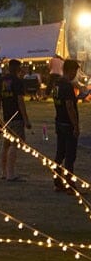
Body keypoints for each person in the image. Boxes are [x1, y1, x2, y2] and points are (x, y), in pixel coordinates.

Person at [0, 59, 31, 181]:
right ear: (17, 69)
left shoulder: (1, 81)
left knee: (6, 144)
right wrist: (26, 119)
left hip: (6, 117)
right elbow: (20, 101)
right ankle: (11, 173)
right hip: (16, 117)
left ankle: (4, 172)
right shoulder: (17, 82)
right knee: (14, 144)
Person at [53, 58, 81, 192]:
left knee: (60, 154)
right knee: (70, 155)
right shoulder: (67, 86)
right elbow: (70, 106)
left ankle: (57, 181)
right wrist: (75, 125)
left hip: (59, 121)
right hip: (68, 124)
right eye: (75, 71)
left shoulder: (57, 84)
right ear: (70, 71)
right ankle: (70, 183)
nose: (75, 74)